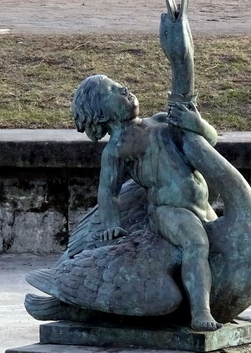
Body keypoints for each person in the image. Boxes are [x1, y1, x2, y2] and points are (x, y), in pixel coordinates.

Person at [72, 73, 222, 331]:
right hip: (168, 209)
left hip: (201, 204)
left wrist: (198, 124)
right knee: (196, 244)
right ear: (100, 115)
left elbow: (210, 141)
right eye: (113, 91)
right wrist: (111, 223)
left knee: (219, 247)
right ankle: (201, 311)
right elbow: (108, 191)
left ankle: (212, 300)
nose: (124, 88)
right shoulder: (117, 150)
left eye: (120, 84)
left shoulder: (161, 121)